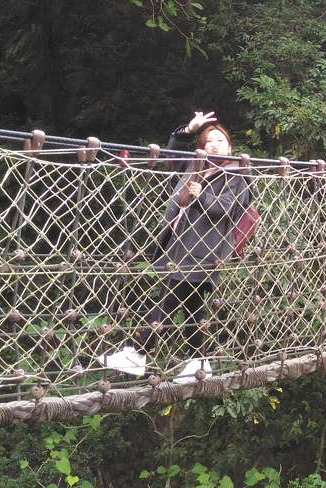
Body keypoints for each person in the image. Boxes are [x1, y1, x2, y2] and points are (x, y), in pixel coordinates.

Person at [101, 111, 253, 380]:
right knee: (192, 305)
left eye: (220, 140)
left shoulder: (237, 174)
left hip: (205, 251)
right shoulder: (195, 165)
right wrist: (188, 130)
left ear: (230, 146)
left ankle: (137, 353)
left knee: (170, 298)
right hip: (180, 248)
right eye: (208, 141)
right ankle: (200, 363)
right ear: (201, 147)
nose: (214, 144)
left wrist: (201, 196)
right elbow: (172, 158)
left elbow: (227, 209)